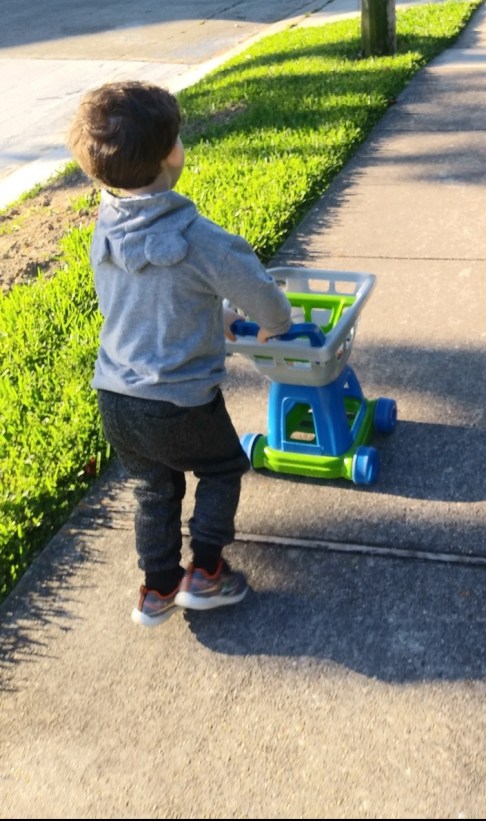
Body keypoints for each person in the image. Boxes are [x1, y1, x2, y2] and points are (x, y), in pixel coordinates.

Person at [67, 80, 292, 628]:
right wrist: (276, 323)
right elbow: (259, 289)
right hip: (181, 401)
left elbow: (143, 303)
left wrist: (213, 319)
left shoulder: (105, 230)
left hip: (116, 397)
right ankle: (207, 572)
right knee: (221, 469)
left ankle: (157, 587)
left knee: (153, 487)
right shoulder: (200, 238)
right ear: (173, 154)